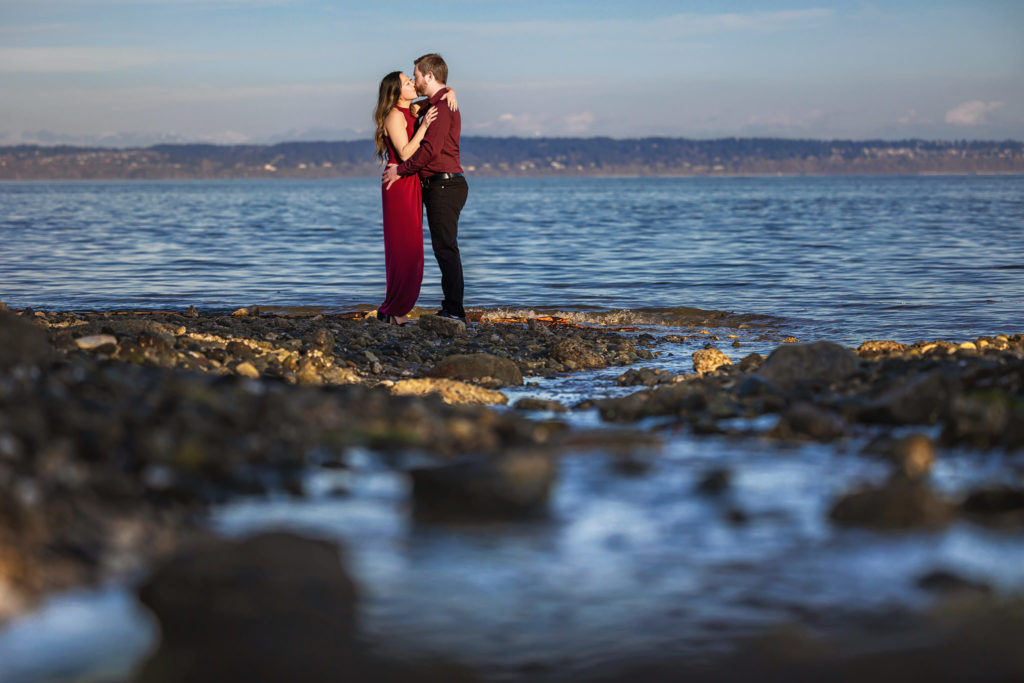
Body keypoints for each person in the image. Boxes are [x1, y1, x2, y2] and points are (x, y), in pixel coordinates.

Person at [383, 53, 468, 324]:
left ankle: (454, 310)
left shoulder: (441, 108)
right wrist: (447, 91)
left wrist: (402, 170)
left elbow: (429, 151)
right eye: (410, 78)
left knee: (445, 249)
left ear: (428, 76)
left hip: (443, 184)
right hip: (429, 184)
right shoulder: (431, 105)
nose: (414, 80)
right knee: (434, 248)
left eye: (415, 76)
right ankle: (408, 307)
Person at [371, 71, 452, 326]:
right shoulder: (395, 115)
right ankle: (394, 309)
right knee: (404, 249)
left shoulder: (413, 109)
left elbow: (442, 94)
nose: (412, 84)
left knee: (413, 249)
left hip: (410, 182)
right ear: (396, 92)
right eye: (407, 83)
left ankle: (396, 309)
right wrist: (425, 126)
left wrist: (452, 92)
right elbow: (406, 154)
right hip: (398, 181)